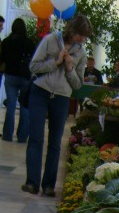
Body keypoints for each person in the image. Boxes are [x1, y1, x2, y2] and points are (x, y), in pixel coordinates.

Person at [22, 14, 92, 196]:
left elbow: (77, 84)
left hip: (61, 97)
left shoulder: (81, 53)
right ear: (73, 30)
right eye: (81, 35)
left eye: (85, 37)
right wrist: (56, 62)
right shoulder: (50, 40)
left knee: (55, 142)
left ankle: (48, 185)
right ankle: (32, 182)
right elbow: (34, 66)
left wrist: (69, 69)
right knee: (36, 137)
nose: (82, 39)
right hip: (40, 91)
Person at [0, 18, 35, 143]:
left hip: (10, 76)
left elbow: (2, 59)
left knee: (10, 105)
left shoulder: (6, 42)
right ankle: (22, 136)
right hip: (25, 77)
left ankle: (7, 135)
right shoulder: (29, 43)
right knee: (24, 106)